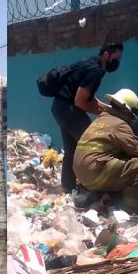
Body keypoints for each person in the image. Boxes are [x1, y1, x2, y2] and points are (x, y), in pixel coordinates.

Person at [51, 42, 124, 193]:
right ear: (106, 55)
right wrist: (100, 113)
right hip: (68, 109)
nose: (117, 63)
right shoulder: (95, 71)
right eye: (115, 58)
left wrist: (107, 109)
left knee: (72, 149)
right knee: (94, 145)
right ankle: (95, 185)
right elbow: (80, 101)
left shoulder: (91, 64)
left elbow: (88, 96)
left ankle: (68, 187)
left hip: (60, 107)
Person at [72, 89, 138, 214]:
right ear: (127, 110)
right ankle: (131, 212)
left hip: (81, 174)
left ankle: (97, 199)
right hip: (95, 172)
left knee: (119, 162)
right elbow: (137, 151)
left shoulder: (101, 119)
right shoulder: (120, 124)